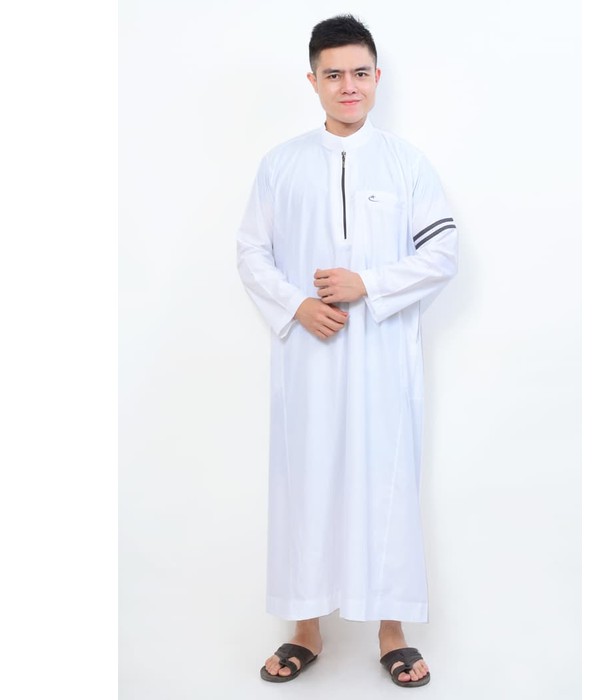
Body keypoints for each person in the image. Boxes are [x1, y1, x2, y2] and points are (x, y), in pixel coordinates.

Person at [237, 14, 458, 688]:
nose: (348, 85)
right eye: (333, 74)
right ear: (313, 81)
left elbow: (442, 253)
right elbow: (251, 252)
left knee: (386, 485)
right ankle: (306, 629)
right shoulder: (281, 164)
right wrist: (296, 306)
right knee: (304, 484)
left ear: (377, 77)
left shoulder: (405, 163)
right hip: (308, 359)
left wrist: (370, 284)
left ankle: (393, 633)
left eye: (360, 72)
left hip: (383, 359)